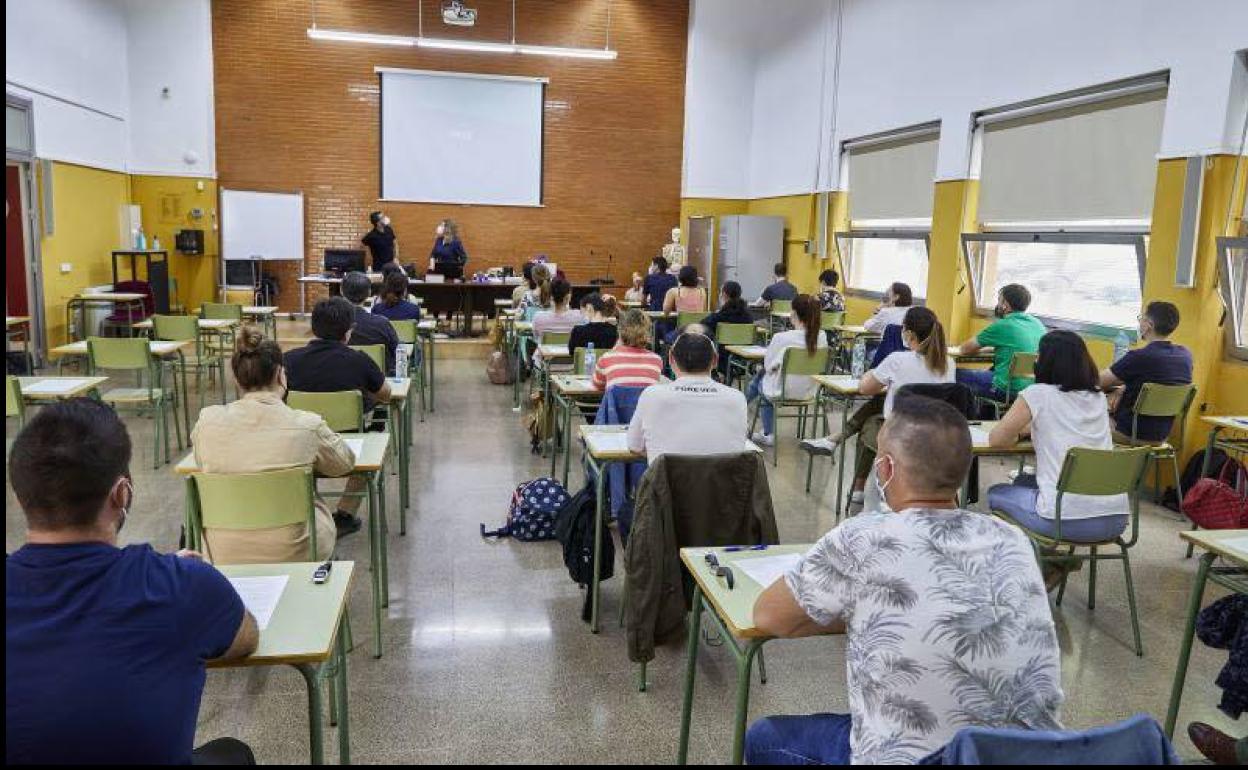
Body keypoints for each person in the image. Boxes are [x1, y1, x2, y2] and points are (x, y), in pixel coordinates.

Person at [747, 394, 1062, 765]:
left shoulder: (861, 539)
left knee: (764, 738)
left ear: (886, 468)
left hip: (922, 759)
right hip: (1027, 756)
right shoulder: (1013, 540)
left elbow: (768, 616)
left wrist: (858, 611)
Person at [6, 399, 261, 765]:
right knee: (233, 753)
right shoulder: (184, 587)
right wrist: (175, 575)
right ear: (121, 493)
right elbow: (245, 638)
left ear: (20, 498)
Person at [191, 327, 354, 563]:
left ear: (236, 380)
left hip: (221, 551)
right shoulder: (307, 425)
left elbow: (201, 460)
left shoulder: (207, 422)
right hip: (297, 550)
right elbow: (344, 463)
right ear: (281, 375)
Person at [988, 330, 1128, 573]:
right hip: (1115, 519)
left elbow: (997, 440)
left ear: (1045, 361)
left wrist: (1021, 431)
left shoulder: (1037, 394)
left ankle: (1040, 567)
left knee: (996, 493)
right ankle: (1050, 560)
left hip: (1063, 521)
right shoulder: (1097, 396)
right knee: (1023, 480)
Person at [285, 297, 392, 536]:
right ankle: (345, 512)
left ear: (313, 328)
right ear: (349, 332)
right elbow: (386, 394)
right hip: (346, 449)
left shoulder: (288, 360)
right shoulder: (359, 360)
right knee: (376, 437)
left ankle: (310, 507)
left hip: (299, 449)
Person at [845, 307, 956, 505]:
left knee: (869, 425)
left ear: (909, 334)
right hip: (935, 435)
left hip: (899, 436)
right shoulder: (949, 363)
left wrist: (869, 374)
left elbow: (865, 388)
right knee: (879, 410)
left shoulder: (897, 360)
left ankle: (858, 486)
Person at [627, 331, 748, 463]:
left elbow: (634, 446)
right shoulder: (737, 399)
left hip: (667, 482)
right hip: (723, 482)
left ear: (671, 359)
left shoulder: (651, 396)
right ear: (715, 360)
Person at [1099, 300, 1193, 443]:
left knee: (1082, 418)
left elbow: (1097, 381)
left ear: (1149, 325)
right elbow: (1161, 381)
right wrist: (1123, 388)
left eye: (1141, 318)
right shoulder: (1185, 356)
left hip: (1129, 432)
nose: (1139, 322)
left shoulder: (1139, 357)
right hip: (1162, 436)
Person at [747, 294, 826, 447]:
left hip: (782, 391)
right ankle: (741, 407)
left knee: (760, 378)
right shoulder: (822, 337)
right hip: (811, 391)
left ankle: (767, 431)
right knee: (761, 378)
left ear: (794, 313)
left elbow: (768, 366)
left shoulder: (781, 337)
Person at [956, 283, 1046, 401]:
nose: (997, 305)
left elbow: (965, 349)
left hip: (1006, 389)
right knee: (988, 371)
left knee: (954, 374)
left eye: (999, 301)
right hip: (1030, 389)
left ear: (1005, 305)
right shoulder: (1038, 324)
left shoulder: (1003, 325)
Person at [341, 270, 399, 375]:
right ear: (369, 293)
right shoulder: (382, 323)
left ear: (341, 291)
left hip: (342, 377)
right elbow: (396, 351)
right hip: (379, 379)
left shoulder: (332, 325)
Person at [591, 309, 664, 391]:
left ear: (620, 331)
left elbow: (597, 386)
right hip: (646, 403)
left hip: (617, 404)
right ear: (647, 332)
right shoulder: (656, 360)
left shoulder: (606, 359)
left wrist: (615, 348)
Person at [532, 277, 586, 342]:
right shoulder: (580, 316)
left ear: (551, 297)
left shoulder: (538, 317)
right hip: (570, 352)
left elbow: (536, 337)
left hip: (546, 351)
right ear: (568, 297)